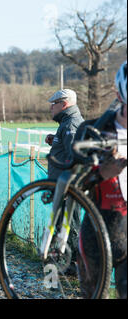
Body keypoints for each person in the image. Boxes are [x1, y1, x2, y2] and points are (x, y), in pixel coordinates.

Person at [75, 61, 127, 299]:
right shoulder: (94, 130)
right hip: (96, 232)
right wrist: (101, 173)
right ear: (118, 95)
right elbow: (72, 185)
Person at [45, 88, 84, 180]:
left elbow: (74, 156)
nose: (51, 107)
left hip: (63, 183)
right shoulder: (68, 122)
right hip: (59, 179)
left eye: (54, 103)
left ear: (64, 104)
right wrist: (56, 139)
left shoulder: (70, 125)